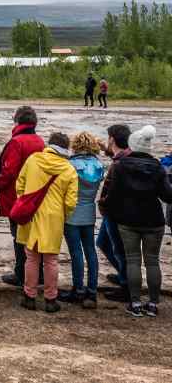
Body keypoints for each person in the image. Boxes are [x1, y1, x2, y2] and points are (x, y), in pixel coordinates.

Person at [100, 124, 172, 317]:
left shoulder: (121, 166)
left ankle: (136, 302)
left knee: (132, 260)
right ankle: (154, 303)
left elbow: (112, 196)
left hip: (128, 220)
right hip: (154, 220)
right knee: (152, 261)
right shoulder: (157, 167)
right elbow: (167, 196)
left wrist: (108, 209)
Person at [14, 132, 78, 313]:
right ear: (65, 149)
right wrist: (63, 215)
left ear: (50, 145)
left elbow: (20, 184)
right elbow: (71, 201)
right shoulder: (69, 169)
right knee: (51, 260)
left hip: (32, 214)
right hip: (54, 218)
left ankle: (29, 296)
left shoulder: (34, 160)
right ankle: (51, 298)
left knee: (31, 257)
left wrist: (25, 201)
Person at [0, 105, 45, 286]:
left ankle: (21, 273)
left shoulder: (17, 141)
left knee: (19, 237)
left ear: (17, 121)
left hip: (17, 198)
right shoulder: (39, 140)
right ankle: (37, 272)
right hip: (35, 196)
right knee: (34, 237)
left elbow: (9, 170)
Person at [61, 131, 105, 307]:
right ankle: (92, 292)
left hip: (72, 213)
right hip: (89, 212)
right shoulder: (99, 166)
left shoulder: (70, 165)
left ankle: (78, 289)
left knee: (76, 253)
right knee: (91, 252)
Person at [97, 123, 131, 300]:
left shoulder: (120, 163)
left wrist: (102, 204)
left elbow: (113, 191)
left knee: (118, 249)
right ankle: (123, 275)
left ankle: (127, 284)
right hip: (114, 212)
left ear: (112, 139)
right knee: (103, 242)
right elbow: (117, 156)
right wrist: (107, 151)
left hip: (115, 213)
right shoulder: (125, 155)